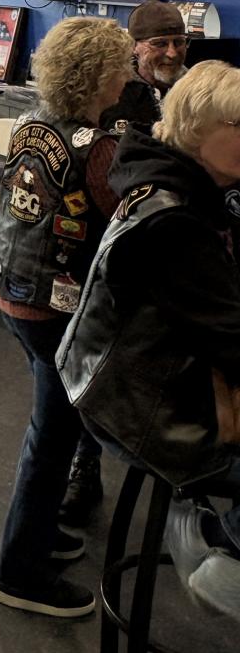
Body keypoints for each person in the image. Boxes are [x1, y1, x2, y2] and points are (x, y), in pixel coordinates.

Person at [59, 61, 240, 618]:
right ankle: (224, 556)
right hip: (140, 411)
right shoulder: (174, 222)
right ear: (197, 130)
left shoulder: (168, 180)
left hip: (117, 383)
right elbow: (231, 338)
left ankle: (211, 532)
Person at [0, 16, 134, 619]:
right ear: (99, 76)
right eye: (121, 67)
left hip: (10, 289)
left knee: (53, 429)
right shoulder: (97, 148)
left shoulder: (31, 124)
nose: (128, 76)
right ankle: (19, 572)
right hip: (56, 308)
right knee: (51, 441)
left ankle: (43, 532)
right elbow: (126, 213)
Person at [100, 0, 188, 136]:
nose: (172, 53)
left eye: (179, 42)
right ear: (134, 46)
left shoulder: (196, 90)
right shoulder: (112, 92)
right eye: (160, 44)